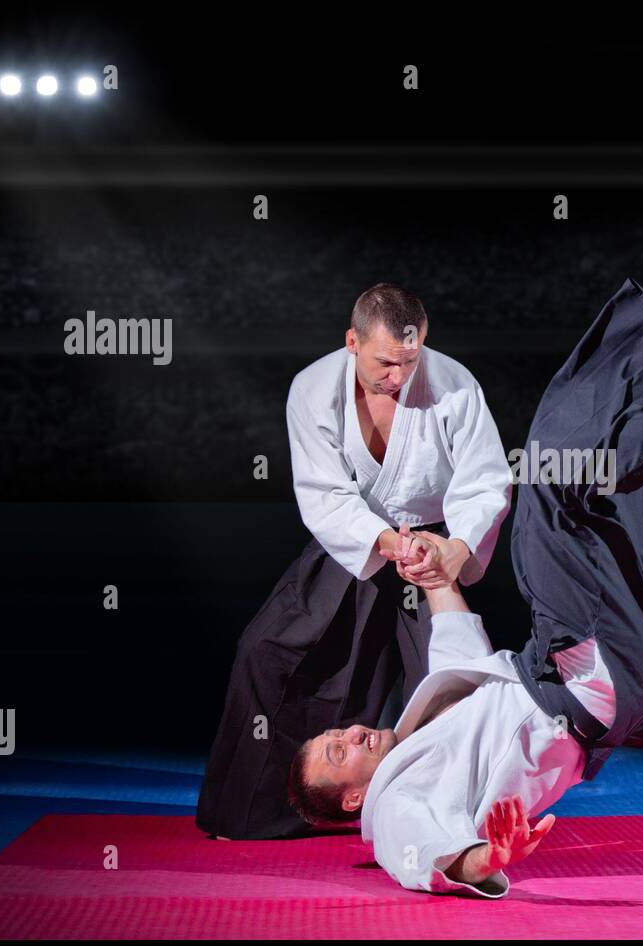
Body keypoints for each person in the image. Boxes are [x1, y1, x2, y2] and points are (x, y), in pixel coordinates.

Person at [288, 278, 643, 895]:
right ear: (354, 802)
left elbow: (452, 628)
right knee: (549, 481)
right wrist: (483, 857)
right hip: (579, 677)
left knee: (611, 494)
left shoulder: (430, 713)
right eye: (338, 754)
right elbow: (420, 856)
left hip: (615, 668)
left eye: (332, 734)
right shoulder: (395, 801)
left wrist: (429, 566)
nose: (347, 734)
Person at [196, 283, 512, 840]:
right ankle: (259, 810)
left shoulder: (455, 385)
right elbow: (323, 493)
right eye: (386, 362)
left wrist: (455, 549)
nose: (399, 377)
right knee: (265, 651)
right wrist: (388, 542)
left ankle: (450, 827)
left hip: (434, 549)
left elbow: (484, 481)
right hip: (358, 539)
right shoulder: (314, 389)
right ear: (352, 342)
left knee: (453, 692)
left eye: (410, 361)